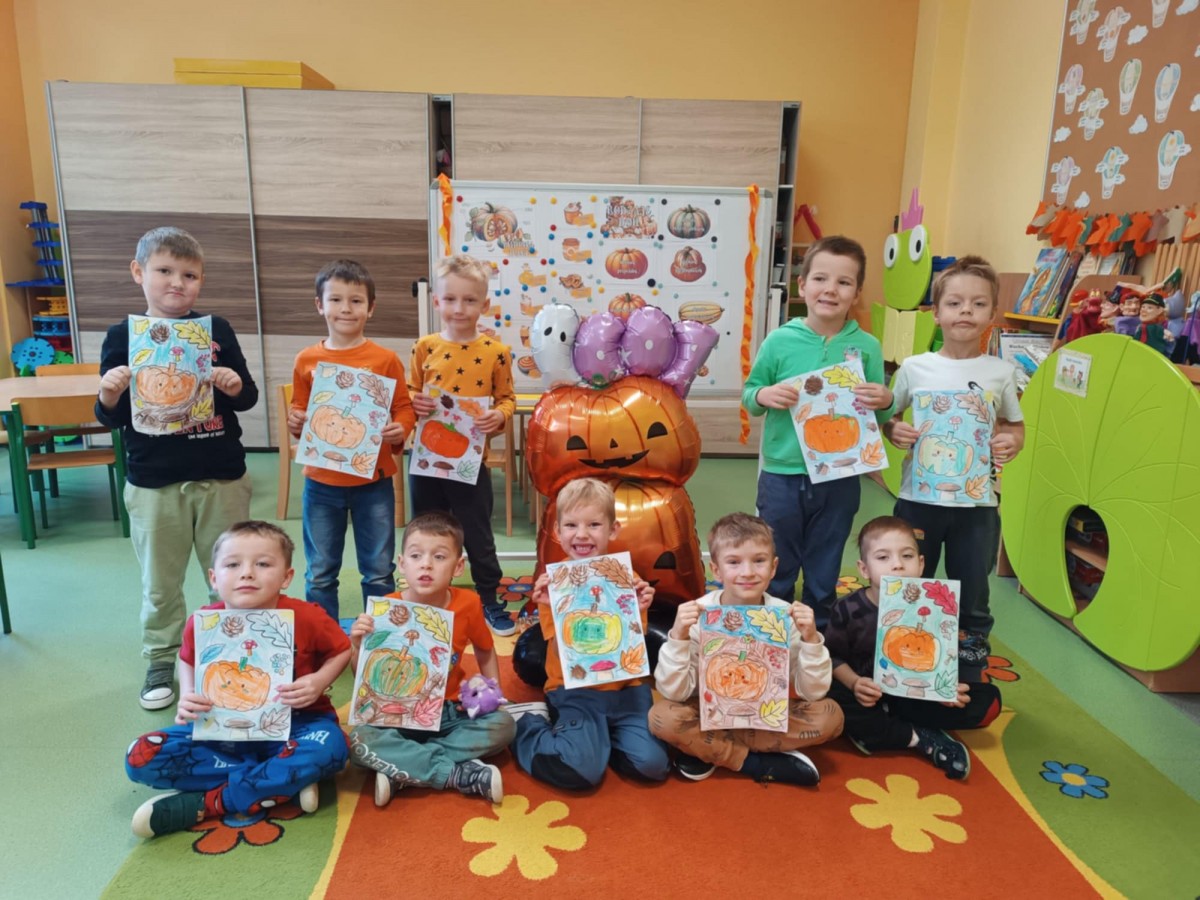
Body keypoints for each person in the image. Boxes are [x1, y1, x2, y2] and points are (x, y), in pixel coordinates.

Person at [97, 226, 258, 710]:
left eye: (189, 275)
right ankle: (162, 657)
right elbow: (110, 417)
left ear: (201, 280)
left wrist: (233, 386)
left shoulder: (216, 330)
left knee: (232, 577)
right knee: (160, 583)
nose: (177, 283)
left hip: (221, 475)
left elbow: (247, 396)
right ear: (138, 272)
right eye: (164, 271)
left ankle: (228, 654)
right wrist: (109, 392)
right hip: (155, 483)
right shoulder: (123, 337)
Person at [124, 521, 351, 837]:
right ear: (214, 577)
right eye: (232, 565)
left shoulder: (308, 616)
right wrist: (188, 694)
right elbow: (187, 658)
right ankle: (279, 781)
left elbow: (342, 649)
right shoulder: (202, 622)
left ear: (286, 577)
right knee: (140, 755)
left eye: (263, 564)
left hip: (299, 725)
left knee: (333, 748)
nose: (247, 573)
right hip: (221, 731)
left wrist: (318, 681)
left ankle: (214, 801)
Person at [742, 235, 893, 628]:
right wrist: (764, 394)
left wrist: (886, 400)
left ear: (857, 292)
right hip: (782, 473)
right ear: (802, 285)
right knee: (778, 556)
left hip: (840, 474)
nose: (830, 289)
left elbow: (877, 414)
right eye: (821, 279)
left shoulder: (867, 347)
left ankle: (819, 630)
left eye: (844, 282)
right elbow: (750, 395)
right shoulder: (779, 341)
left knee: (826, 557)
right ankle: (773, 626)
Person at [883, 255, 1024, 676]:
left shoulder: (1002, 372)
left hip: (977, 507)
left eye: (978, 304)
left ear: (992, 314)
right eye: (955, 303)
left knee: (972, 588)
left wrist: (1012, 441)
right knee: (910, 581)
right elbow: (889, 416)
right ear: (937, 313)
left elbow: (1014, 425)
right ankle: (901, 659)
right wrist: (893, 430)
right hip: (918, 501)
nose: (966, 311)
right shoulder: (914, 368)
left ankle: (970, 661)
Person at [649, 512, 844, 785]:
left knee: (831, 717)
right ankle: (754, 762)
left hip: (767, 711)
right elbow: (675, 692)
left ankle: (709, 748)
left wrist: (811, 640)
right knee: (661, 718)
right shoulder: (698, 614)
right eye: (734, 562)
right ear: (716, 570)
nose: (748, 572)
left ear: (774, 567)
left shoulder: (786, 617)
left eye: (759, 561)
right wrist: (678, 637)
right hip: (707, 711)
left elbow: (812, 692)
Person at [508, 478, 670, 790]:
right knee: (578, 772)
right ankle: (526, 725)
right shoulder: (555, 584)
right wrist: (551, 606)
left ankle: (600, 740)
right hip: (575, 689)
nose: (582, 534)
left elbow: (632, 644)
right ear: (558, 532)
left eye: (594, 524)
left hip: (627, 689)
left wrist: (640, 608)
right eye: (571, 525)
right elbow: (565, 650)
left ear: (613, 530)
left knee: (653, 766)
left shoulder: (627, 578)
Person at [347, 512, 516, 806]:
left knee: (504, 725)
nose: (426, 564)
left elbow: (486, 649)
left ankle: (407, 768)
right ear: (402, 564)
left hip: (450, 710)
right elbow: (363, 677)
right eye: (416, 556)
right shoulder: (386, 609)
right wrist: (357, 646)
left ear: (458, 566)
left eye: (439, 557)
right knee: (359, 740)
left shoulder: (468, 603)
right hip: (395, 714)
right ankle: (454, 772)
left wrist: (494, 693)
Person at [825, 517, 1001, 779]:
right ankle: (917, 736)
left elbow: (939, 660)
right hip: (864, 693)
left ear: (920, 565)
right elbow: (832, 657)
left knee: (989, 701)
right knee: (831, 703)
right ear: (864, 569)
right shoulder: (847, 609)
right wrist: (854, 683)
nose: (897, 564)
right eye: (883, 557)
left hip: (913, 694)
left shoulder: (936, 608)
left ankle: (885, 728)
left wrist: (943, 689)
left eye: (906, 556)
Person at [288, 259, 416, 622]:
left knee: (378, 569)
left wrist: (401, 428)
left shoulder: (385, 360)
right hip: (321, 482)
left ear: (370, 308)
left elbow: (404, 407)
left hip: (373, 483)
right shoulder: (306, 359)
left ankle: (379, 637)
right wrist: (296, 421)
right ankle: (325, 638)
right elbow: (300, 410)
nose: (346, 308)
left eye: (356, 301)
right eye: (336, 299)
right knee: (320, 571)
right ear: (319, 304)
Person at [409, 254, 516, 636]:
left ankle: (489, 598)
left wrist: (499, 416)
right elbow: (409, 391)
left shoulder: (496, 352)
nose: (459, 308)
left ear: (484, 304)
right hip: (426, 462)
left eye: (469, 300)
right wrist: (414, 402)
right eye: (450, 299)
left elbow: (507, 399)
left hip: (471, 464)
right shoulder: (425, 347)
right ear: (436, 301)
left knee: (478, 534)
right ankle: (427, 596)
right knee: (426, 531)